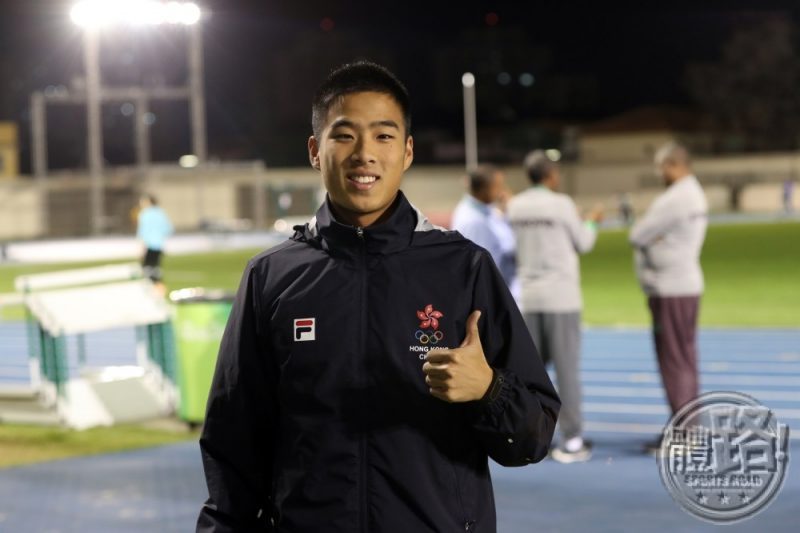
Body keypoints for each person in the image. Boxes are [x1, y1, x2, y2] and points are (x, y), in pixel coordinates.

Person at [197, 61, 560, 532]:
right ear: (315, 150)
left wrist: (488, 391)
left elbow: (532, 439)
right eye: (344, 135)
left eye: (384, 136)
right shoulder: (270, 278)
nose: (364, 153)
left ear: (407, 151)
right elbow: (233, 445)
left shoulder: (464, 268)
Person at [507, 150, 602, 464]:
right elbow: (584, 243)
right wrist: (591, 223)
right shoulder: (562, 205)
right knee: (567, 370)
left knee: (529, 371)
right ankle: (572, 439)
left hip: (530, 297)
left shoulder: (516, 206)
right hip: (562, 298)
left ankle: (523, 430)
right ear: (550, 175)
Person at [629, 142, 707, 454]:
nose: (659, 174)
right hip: (685, 285)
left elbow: (637, 235)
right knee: (685, 359)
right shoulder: (694, 192)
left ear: (674, 164)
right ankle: (687, 427)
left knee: (674, 362)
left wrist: (653, 240)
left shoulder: (676, 198)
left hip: (671, 288)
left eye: (662, 167)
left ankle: (684, 433)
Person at [450, 164, 519, 299]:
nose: (502, 191)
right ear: (483, 189)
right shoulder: (472, 220)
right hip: (490, 295)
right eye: (498, 186)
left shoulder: (487, 211)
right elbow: (480, 269)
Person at [136, 194, 173, 286]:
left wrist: (141, 248)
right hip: (159, 245)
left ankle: (152, 292)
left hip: (149, 245)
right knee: (156, 269)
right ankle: (160, 291)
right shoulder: (161, 213)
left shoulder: (145, 214)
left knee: (147, 269)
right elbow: (168, 229)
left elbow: (143, 232)